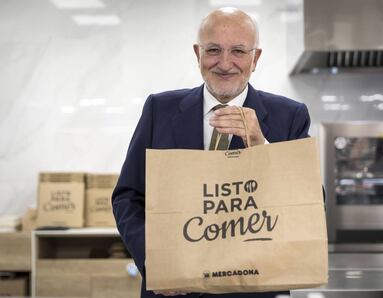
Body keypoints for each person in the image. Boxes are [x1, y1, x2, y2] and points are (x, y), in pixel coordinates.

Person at [112, 7, 310, 298]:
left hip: (254, 290)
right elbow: (128, 197)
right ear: (198, 54)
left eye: (239, 51)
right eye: (214, 49)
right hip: (172, 289)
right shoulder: (159, 109)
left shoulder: (290, 116)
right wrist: (156, 264)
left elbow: (309, 203)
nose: (225, 63)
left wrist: (262, 148)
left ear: (255, 58)